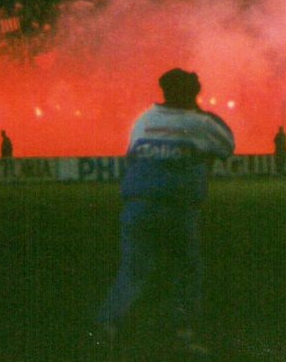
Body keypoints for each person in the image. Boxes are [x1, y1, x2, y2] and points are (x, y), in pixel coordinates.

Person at [92, 68, 235, 358]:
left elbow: (131, 155)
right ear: (194, 93)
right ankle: (181, 334)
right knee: (187, 269)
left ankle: (107, 326)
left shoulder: (143, 120)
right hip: (178, 208)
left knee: (133, 270)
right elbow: (228, 145)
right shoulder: (200, 123)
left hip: (138, 206)